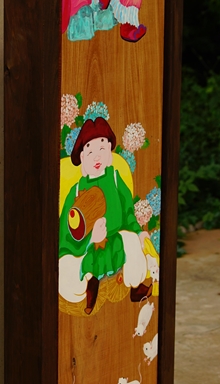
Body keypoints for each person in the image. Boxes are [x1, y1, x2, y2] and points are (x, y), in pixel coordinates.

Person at [58, 115, 152, 314]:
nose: (97, 157)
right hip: (86, 252)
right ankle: (89, 282)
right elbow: (66, 231)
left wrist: (138, 232)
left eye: (102, 149)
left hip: (115, 243)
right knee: (64, 269)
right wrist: (90, 239)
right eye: (90, 151)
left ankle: (135, 285)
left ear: (109, 150)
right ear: (82, 157)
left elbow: (128, 212)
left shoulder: (115, 179)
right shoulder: (76, 191)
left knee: (131, 240)